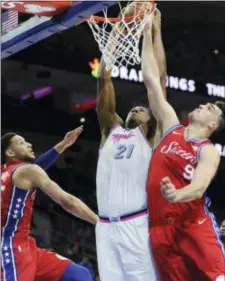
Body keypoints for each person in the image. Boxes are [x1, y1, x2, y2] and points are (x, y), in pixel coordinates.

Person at [142, 11, 225, 281]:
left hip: (193, 223)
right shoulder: (171, 125)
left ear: (214, 124)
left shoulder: (207, 150)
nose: (202, 105)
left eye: (209, 107)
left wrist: (176, 195)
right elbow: (152, 81)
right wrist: (146, 32)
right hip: (158, 228)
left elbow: (199, 186)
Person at [95, 9, 167, 281]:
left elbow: (159, 82)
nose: (138, 107)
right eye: (134, 107)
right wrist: (114, 36)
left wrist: (153, 30)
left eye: (144, 109)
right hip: (104, 228)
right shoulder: (109, 129)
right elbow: (104, 81)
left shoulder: (150, 137)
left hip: (136, 224)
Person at [1, 127, 99, 281]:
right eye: (21, 142)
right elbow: (68, 202)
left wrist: (63, 144)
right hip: (12, 249)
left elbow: (37, 167)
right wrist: (99, 222)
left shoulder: (7, 172)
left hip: (26, 245)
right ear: (10, 153)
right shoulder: (27, 171)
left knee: (80, 275)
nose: (29, 144)